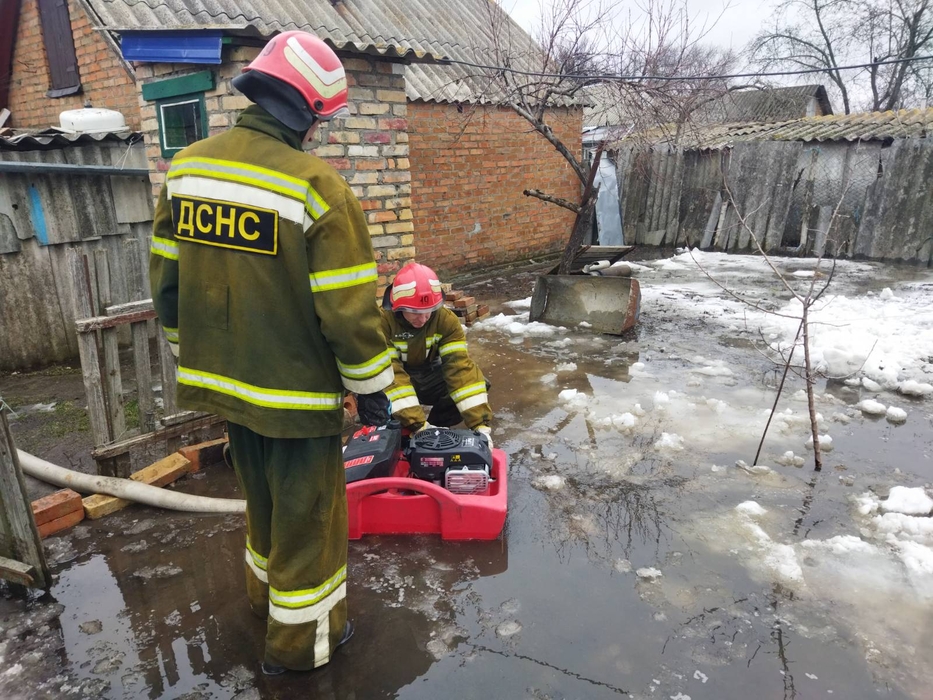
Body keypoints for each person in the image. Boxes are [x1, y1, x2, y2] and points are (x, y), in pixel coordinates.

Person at [149, 30, 393, 676]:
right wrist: (373, 389)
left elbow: (167, 287)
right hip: (294, 399)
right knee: (308, 527)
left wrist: (198, 358)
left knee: (262, 508)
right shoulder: (315, 188)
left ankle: (262, 604)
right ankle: (301, 651)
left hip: (226, 388)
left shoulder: (188, 169)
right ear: (309, 111)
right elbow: (347, 309)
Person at [377, 262, 493, 445]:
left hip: (429, 375)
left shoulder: (446, 320)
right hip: (397, 377)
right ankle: (399, 433)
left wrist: (481, 425)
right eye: (415, 312)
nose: (422, 319)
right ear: (397, 306)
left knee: (475, 385)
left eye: (428, 311)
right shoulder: (383, 323)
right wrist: (417, 424)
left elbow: (459, 368)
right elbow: (391, 375)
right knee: (375, 395)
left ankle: (437, 428)